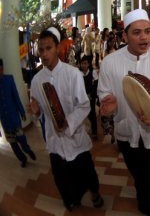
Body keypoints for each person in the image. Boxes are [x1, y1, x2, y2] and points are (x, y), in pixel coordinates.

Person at [97, 9, 150, 215]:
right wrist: (108, 104)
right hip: (126, 132)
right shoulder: (109, 62)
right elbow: (104, 92)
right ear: (124, 36)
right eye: (137, 33)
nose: (144, 38)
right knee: (139, 174)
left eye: (147, 32)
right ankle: (147, 198)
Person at [29, 27, 103, 211]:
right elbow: (38, 113)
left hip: (76, 138)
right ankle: (72, 201)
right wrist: (35, 111)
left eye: (48, 48)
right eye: (41, 50)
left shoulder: (73, 74)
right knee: (61, 178)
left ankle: (94, 193)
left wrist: (67, 123)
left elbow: (84, 105)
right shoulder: (37, 81)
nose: (44, 54)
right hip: (54, 142)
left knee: (87, 174)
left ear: (58, 47)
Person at [0, 58, 36, 168]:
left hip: (14, 117)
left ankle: (27, 150)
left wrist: (22, 112)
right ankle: (22, 158)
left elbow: (16, 97)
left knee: (21, 138)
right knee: (13, 143)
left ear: (3, 68)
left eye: (0, 69)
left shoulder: (9, 79)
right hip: (5, 120)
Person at [79, 56, 98, 140]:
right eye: (82, 63)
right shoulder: (78, 73)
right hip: (82, 97)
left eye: (85, 63)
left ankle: (94, 132)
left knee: (92, 114)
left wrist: (91, 95)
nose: (83, 65)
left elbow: (96, 85)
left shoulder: (93, 72)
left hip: (91, 97)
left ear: (88, 64)